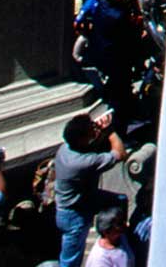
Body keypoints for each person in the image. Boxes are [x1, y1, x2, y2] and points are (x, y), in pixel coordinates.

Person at [54, 112, 128, 267]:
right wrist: (110, 130)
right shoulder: (80, 163)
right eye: (91, 130)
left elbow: (90, 148)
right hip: (73, 215)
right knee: (70, 261)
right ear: (81, 138)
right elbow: (120, 153)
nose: (94, 131)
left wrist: (98, 133)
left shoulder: (65, 149)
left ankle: (111, 234)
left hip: (81, 201)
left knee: (119, 201)